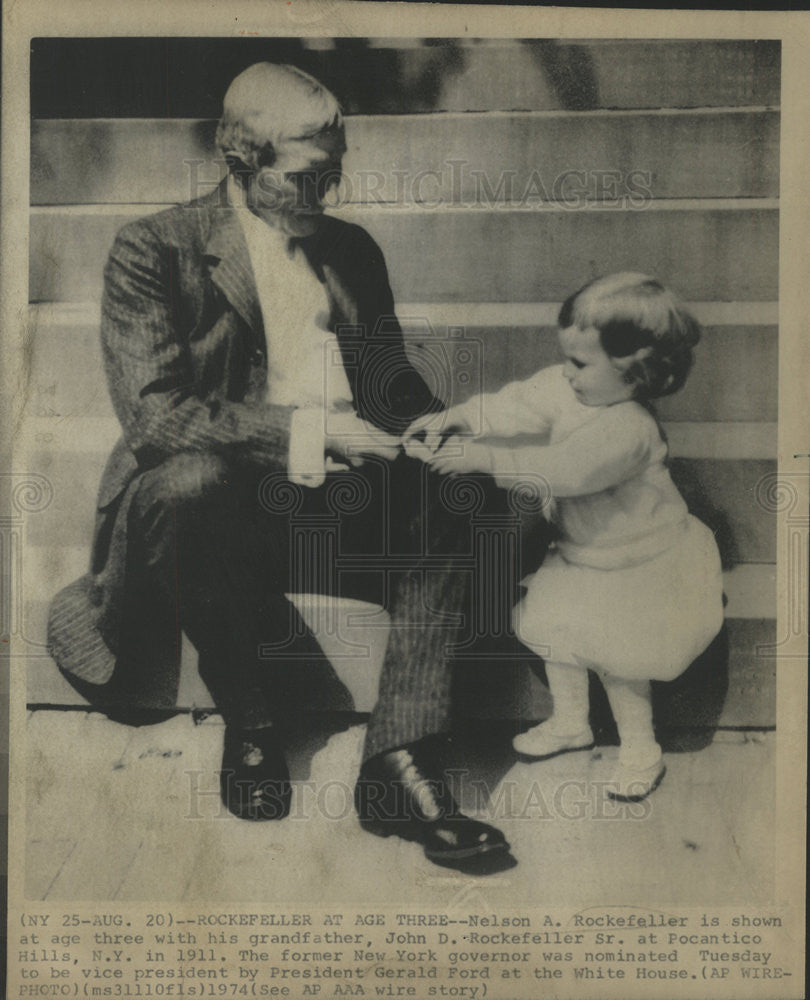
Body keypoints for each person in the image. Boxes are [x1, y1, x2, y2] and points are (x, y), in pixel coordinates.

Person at [47, 63, 509, 866]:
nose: (325, 193)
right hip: (214, 516)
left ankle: (401, 758)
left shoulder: (351, 251)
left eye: (335, 173)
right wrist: (312, 432)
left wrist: (433, 425)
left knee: (467, 491)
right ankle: (252, 725)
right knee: (187, 486)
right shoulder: (154, 249)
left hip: (330, 507)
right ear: (240, 158)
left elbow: (386, 382)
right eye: (307, 175)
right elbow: (157, 418)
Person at [406, 272, 725, 801]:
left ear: (636, 373)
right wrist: (458, 419)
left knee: (624, 663)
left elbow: (565, 470)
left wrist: (482, 459)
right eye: (567, 359)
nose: (567, 374)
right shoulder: (569, 388)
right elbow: (517, 403)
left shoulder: (629, 428)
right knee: (558, 637)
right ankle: (571, 721)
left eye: (580, 363)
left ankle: (640, 748)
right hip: (581, 555)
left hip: (636, 565)